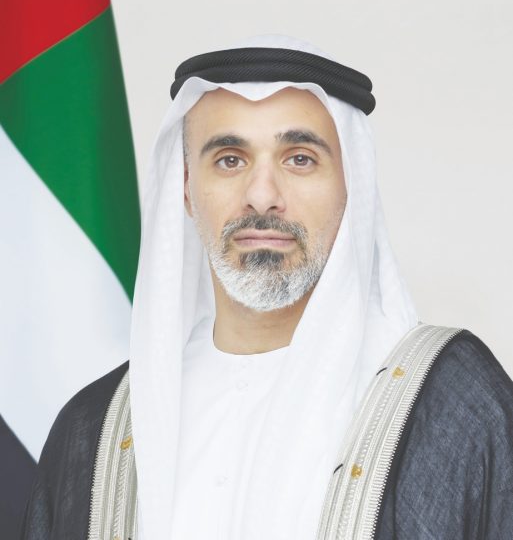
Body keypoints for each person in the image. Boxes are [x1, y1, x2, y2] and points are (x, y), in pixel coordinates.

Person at [21, 35, 513, 540]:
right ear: (187, 189)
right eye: (230, 159)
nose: (262, 196)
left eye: (299, 158)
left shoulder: (451, 404)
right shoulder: (95, 429)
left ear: (353, 184)